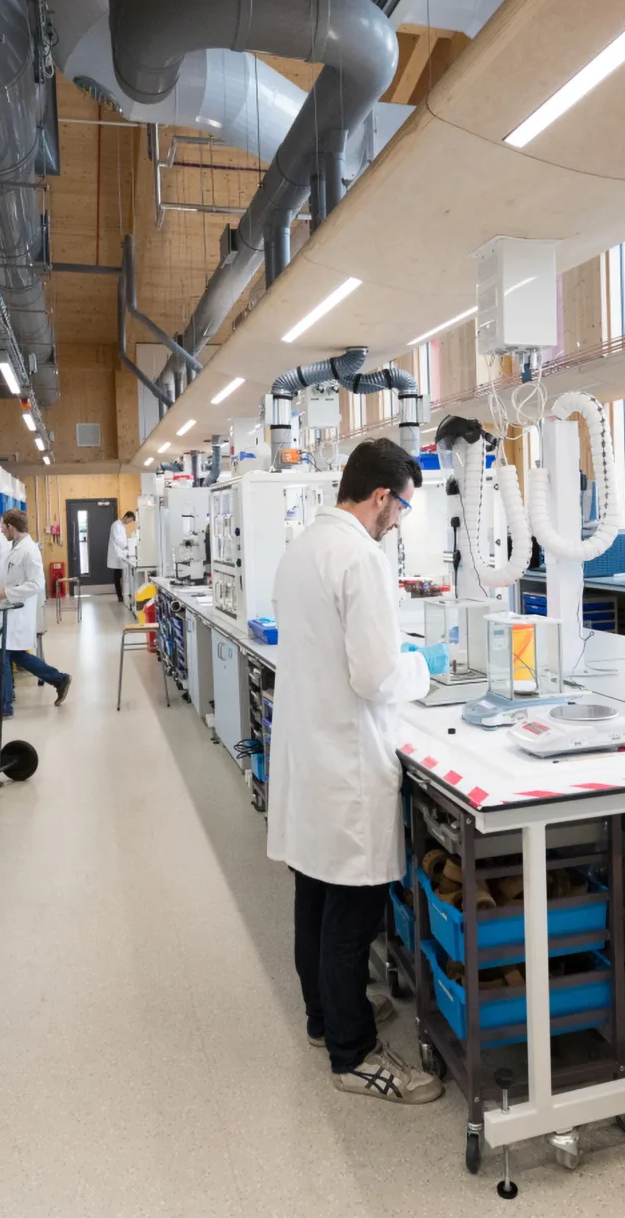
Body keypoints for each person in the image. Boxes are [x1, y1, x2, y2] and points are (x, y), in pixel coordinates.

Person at [267, 439, 450, 1104]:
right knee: (352, 911)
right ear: (381, 497)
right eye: (401, 506)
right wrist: (424, 667)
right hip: (344, 760)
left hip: (308, 754)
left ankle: (326, 1020)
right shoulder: (361, 557)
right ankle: (354, 1056)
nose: (400, 520)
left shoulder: (302, 547)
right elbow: (375, 674)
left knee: (314, 897)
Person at [0, 503, 70, 710]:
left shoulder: (28, 551)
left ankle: (3, 705)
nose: (0, 530)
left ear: (11, 526)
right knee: (15, 655)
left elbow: (37, 584)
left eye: (3, 526)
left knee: (2, 655)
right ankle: (59, 679)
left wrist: (4, 593)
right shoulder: (17, 548)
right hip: (9, 612)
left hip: (16, 612)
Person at [107, 511, 138, 602]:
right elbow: (117, 539)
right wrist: (125, 546)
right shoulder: (116, 525)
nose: (129, 522)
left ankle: (123, 594)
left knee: (121, 575)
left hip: (121, 553)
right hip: (117, 553)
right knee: (117, 575)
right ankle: (119, 595)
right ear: (126, 517)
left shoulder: (122, 526)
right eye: (130, 520)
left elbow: (123, 539)